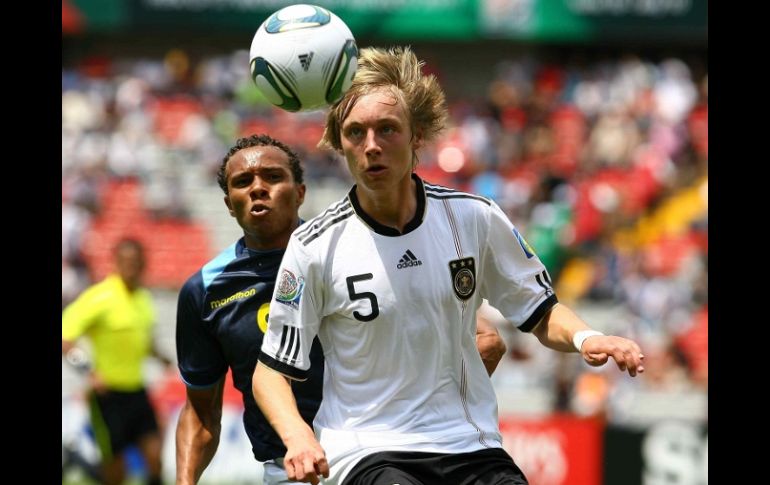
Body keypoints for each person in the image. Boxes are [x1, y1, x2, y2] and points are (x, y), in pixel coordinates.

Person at [253, 46, 645, 485]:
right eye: (356, 133)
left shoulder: (473, 218)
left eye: (387, 130)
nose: (372, 146)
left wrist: (587, 337)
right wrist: (299, 437)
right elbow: (270, 371)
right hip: (369, 449)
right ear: (340, 143)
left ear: (416, 136)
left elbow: (539, 311)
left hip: (468, 444)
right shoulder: (315, 245)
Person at [174, 134, 507, 485]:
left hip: (387, 455)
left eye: (273, 177)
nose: (258, 188)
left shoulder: (351, 254)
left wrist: (425, 413)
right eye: (243, 182)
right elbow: (201, 412)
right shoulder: (205, 292)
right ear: (229, 203)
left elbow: (486, 340)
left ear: (300, 192)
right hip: (295, 469)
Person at [62, 238, 171, 485]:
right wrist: (87, 369)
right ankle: (81, 464)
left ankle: (81, 463)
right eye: (125, 261)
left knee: (155, 457)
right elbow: (65, 337)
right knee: (116, 470)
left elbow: (145, 342)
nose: (131, 266)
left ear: (143, 264)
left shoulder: (143, 298)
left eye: (136, 262)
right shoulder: (99, 297)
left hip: (137, 391)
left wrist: (161, 357)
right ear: (115, 263)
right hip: (107, 395)